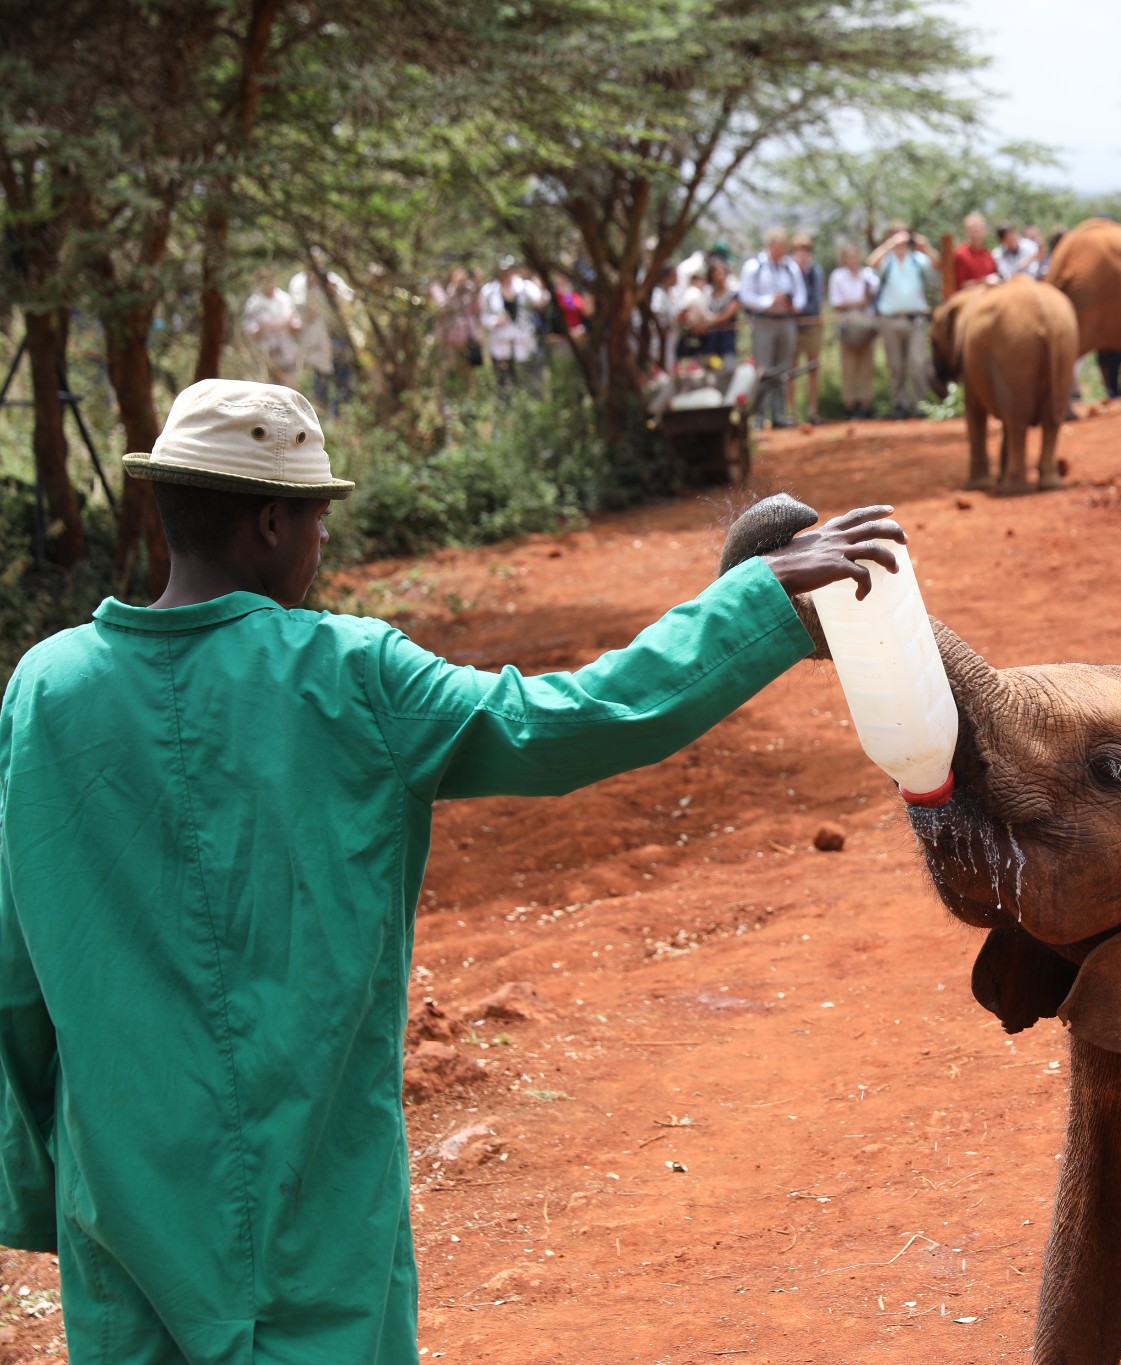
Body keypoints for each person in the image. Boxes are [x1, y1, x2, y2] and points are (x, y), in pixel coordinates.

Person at [0, 377, 908, 1364]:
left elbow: (14, 978)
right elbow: (571, 720)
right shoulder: (350, 675)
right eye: (316, 524)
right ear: (270, 521)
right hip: (312, 1208)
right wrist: (749, 610)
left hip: (124, 1209)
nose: (318, 549)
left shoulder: (44, 690)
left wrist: (49, 1187)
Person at [868, 224, 938, 418]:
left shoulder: (917, 260)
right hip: (890, 320)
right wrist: (889, 245)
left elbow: (938, 263)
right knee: (896, 366)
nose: (901, 244)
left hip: (916, 320)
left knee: (917, 362)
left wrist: (926, 246)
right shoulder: (887, 261)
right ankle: (899, 404)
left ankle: (921, 405)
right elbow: (871, 262)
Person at [739, 227, 806, 428]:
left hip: (786, 321)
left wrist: (792, 304)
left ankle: (779, 415)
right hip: (763, 323)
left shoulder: (790, 267)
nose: (781, 251)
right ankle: (758, 417)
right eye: (778, 247)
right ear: (769, 246)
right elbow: (745, 296)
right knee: (763, 370)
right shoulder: (754, 266)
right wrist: (769, 301)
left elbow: (801, 294)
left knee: (783, 369)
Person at [287, 254, 355, 413]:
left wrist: (333, 292)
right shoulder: (299, 283)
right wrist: (311, 288)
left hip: (337, 338)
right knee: (320, 381)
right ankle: (319, 415)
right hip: (315, 341)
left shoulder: (332, 278)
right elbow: (299, 311)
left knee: (343, 379)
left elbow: (350, 303)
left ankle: (340, 415)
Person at [828, 240, 879, 419]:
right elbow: (836, 303)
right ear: (844, 259)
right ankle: (849, 407)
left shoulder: (869, 274)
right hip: (847, 325)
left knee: (866, 367)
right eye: (850, 256)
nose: (854, 260)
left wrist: (869, 297)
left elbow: (875, 295)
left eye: (856, 256)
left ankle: (866, 406)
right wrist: (859, 303)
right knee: (849, 368)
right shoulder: (838, 276)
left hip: (867, 325)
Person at [478, 256, 546, 388]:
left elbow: (541, 302)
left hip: (524, 342)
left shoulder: (526, 288)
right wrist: (495, 321)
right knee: (503, 383)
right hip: (500, 344)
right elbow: (483, 317)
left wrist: (540, 282)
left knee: (529, 381)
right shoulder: (489, 291)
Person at [240, 268, 300, 385]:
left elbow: (295, 324)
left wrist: (280, 324)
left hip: (287, 353)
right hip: (267, 355)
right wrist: (267, 327)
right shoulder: (254, 304)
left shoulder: (284, 298)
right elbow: (251, 333)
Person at [791, 234, 825, 424]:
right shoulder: (789, 270)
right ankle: (792, 414)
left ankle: (812, 412)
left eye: (805, 251)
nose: (802, 255)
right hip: (792, 326)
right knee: (791, 369)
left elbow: (817, 299)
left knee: (813, 367)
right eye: (798, 251)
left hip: (811, 324)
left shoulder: (816, 272)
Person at [430, 266, 482, 370]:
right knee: (449, 369)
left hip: (468, 337)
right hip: (448, 336)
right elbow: (443, 307)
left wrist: (477, 285)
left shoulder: (469, 288)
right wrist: (454, 286)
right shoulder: (440, 286)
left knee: (467, 369)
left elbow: (476, 309)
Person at [953, 212, 998, 288]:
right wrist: (984, 281)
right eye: (972, 229)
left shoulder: (988, 254)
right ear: (966, 232)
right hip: (968, 297)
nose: (976, 231)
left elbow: (994, 278)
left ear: (985, 231)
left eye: (979, 228)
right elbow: (961, 285)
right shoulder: (961, 254)